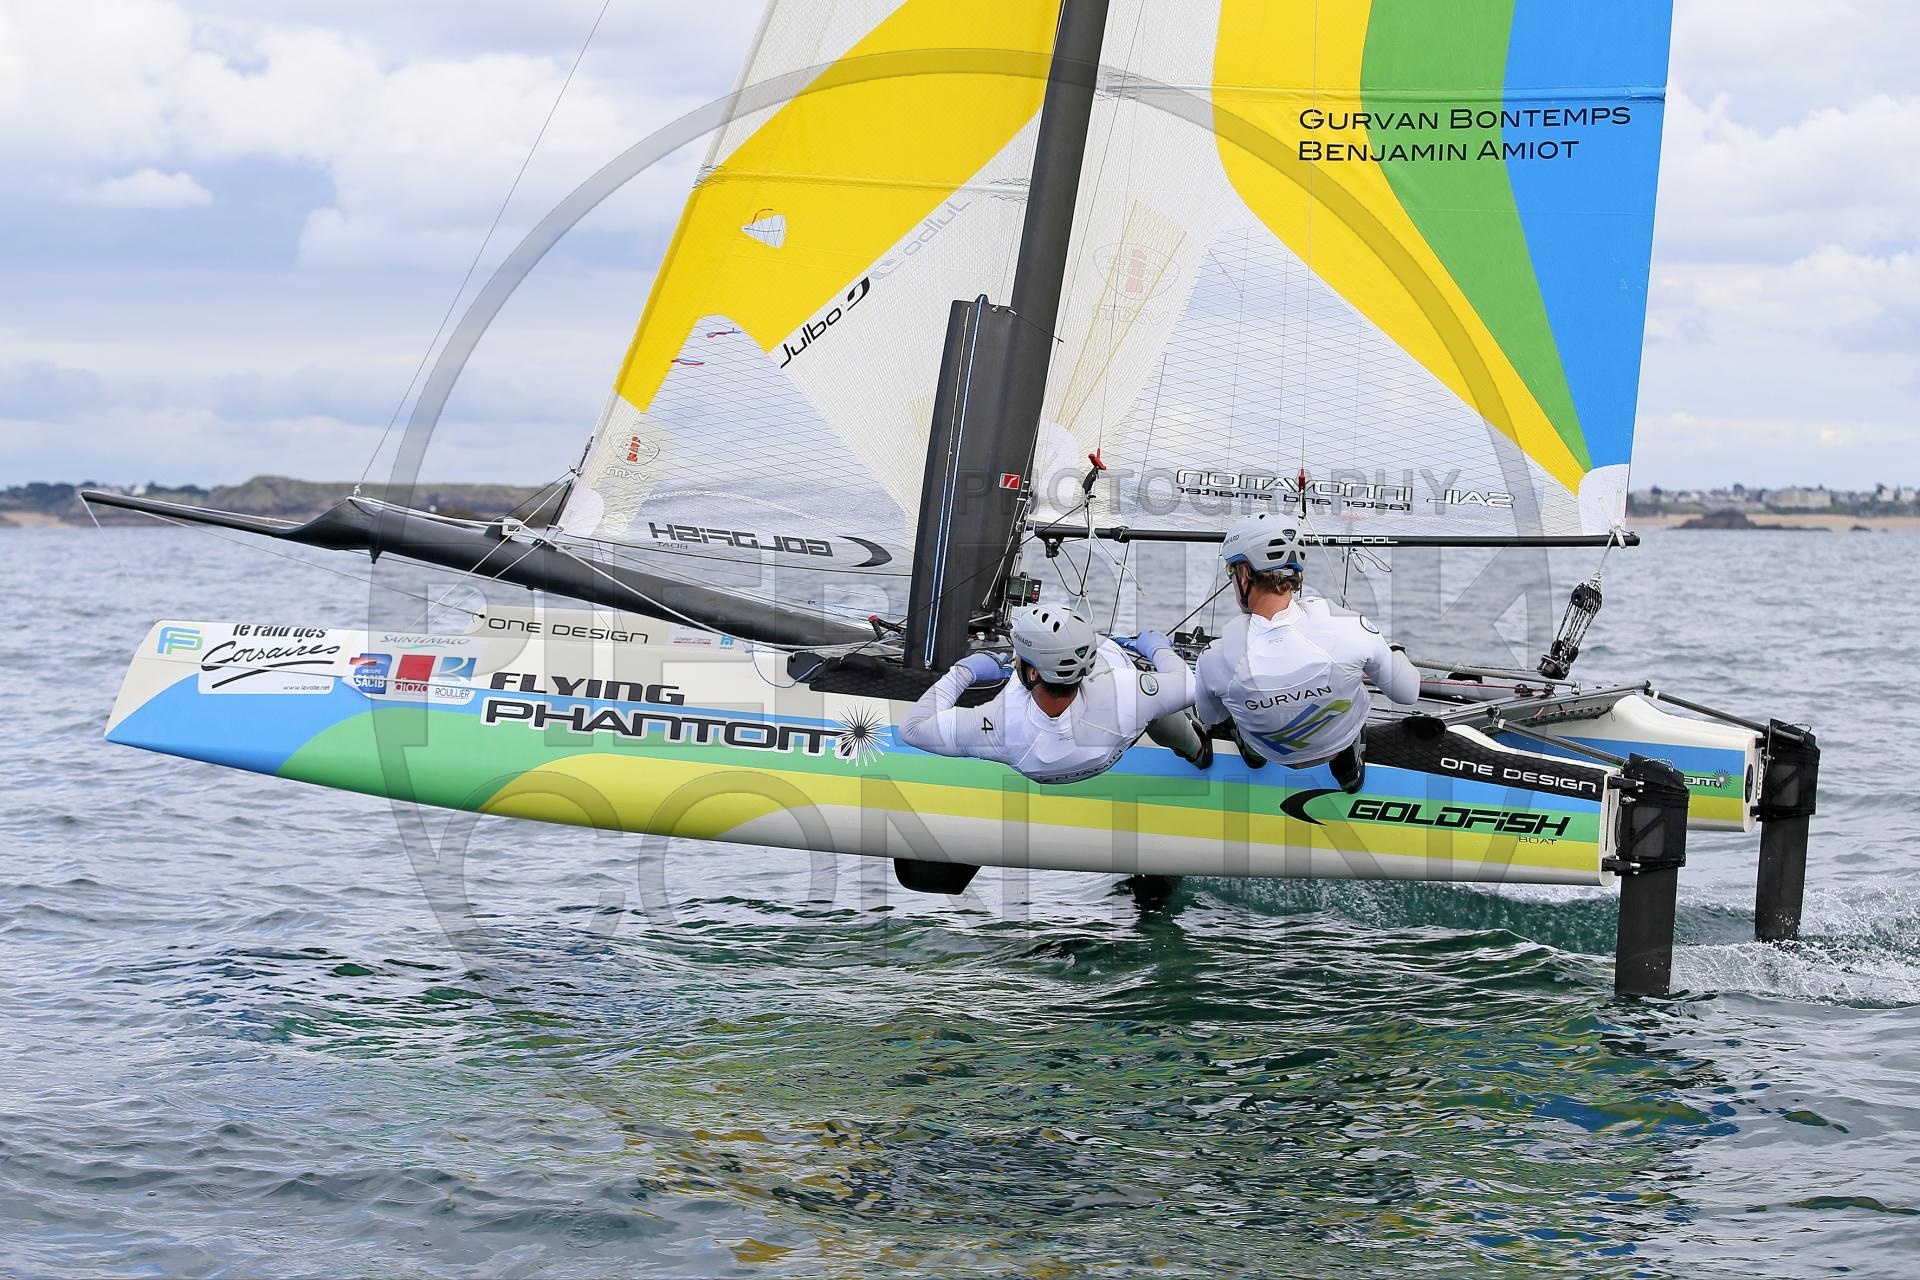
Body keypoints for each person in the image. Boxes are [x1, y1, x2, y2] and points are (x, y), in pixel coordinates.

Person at [1193, 512, 1420, 792]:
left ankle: (1253, 757)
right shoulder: (1350, 628)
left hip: (1270, 750)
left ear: (1244, 573)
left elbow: (1211, 717)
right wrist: (1393, 649)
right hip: (1338, 741)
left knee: (1231, 707)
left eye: (1231, 571)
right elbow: (1407, 693)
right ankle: (1347, 772)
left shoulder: (1214, 657)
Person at [900, 604, 1212, 785]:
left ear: (1033, 673)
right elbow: (1189, 685)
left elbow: (912, 729)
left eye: (1018, 656)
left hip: (1044, 773)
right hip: (1113, 746)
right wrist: (1156, 647)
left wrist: (963, 672)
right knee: (1156, 711)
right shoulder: (1125, 691)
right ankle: (1196, 750)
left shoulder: (998, 724)